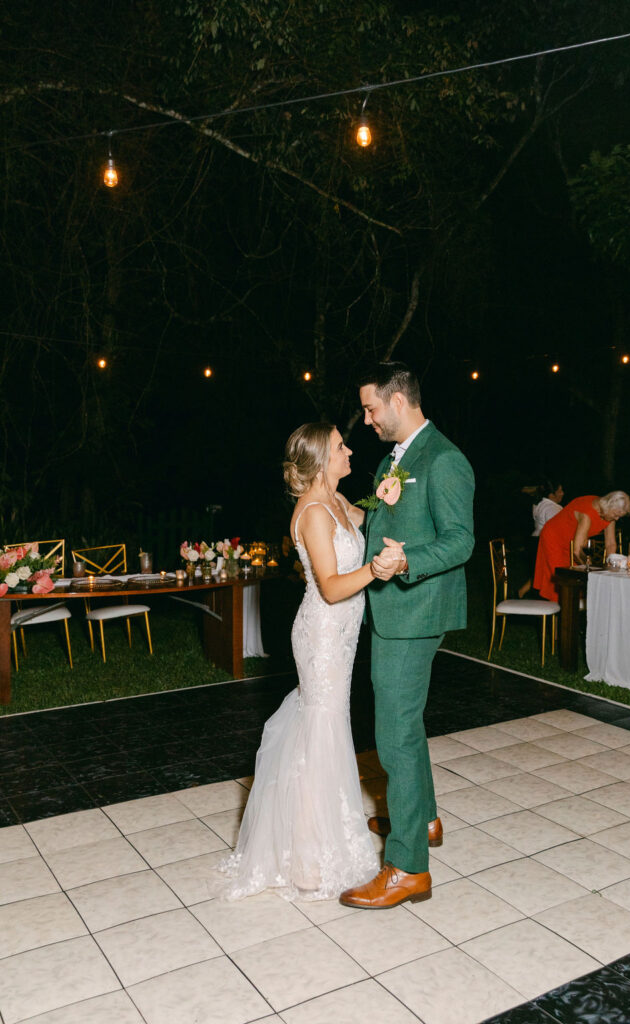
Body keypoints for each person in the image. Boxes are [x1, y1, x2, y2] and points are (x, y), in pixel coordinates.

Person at [216, 422, 399, 901]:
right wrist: (374, 570)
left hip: (342, 632)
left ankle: (313, 841)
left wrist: (386, 496)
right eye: (341, 446)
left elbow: (369, 518)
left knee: (325, 724)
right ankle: (308, 858)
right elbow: (333, 587)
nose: (349, 450)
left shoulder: (337, 502)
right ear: (321, 458)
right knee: (322, 726)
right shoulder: (314, 512)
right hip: (321, 632)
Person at [339, 362, 475, 910]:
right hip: (396, 611)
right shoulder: (395, 459)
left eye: (372, 408)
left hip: (414, 612)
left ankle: (407, 868)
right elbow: (386, 519)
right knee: (405, 728)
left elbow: (461, 541)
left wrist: (406, 563)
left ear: (399, 401)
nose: (367, 419)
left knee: (392, 734)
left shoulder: (443, 460)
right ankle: (425, 821)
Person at [533, 490, 630, 602]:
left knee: (576, 585)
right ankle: (560, 615)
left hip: (573, 541)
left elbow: (610, 544)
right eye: (615, 515)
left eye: (619, 516)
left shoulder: (608, 511)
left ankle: (570, 613)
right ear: (608, 507)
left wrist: (611, 564)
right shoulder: (587, 514)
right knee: (563, 582)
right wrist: (589, 569)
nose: (617, 519)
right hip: (555, 537)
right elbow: (577, 551)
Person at [518, 479, 564, 598]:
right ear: (551, 495)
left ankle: (521, 595)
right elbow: (557, 532)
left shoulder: (539, 503)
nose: (562, 493)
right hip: (542, 544)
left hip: (533, 542)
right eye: (560, 491)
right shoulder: (552, 509)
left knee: (536, 576)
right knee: (546, 575)